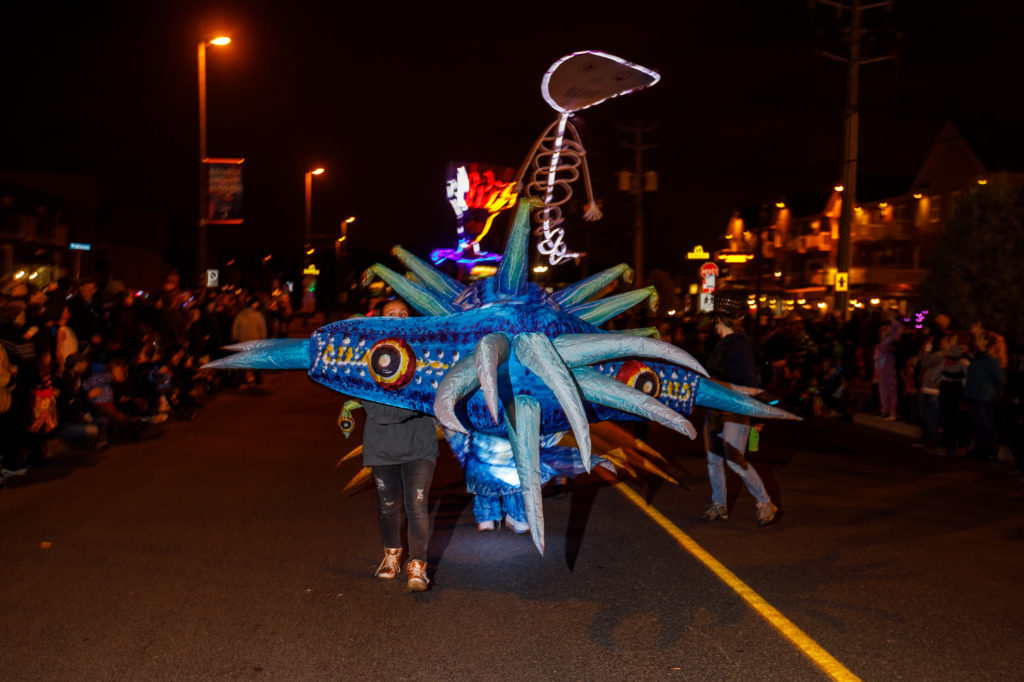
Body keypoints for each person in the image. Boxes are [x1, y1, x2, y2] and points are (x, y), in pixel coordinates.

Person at [360, 298, 438, 591]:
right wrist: (416, 405)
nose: (397, 318)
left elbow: (433, 396)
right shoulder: (366, 359)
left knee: (416, 506)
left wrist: (415, 405)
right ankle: (391, 554)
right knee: (389, 504)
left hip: (420, 445)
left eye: (403, 314)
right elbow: (376, 412)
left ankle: (418, 565)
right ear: (380, 320)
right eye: (390, 314)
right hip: (382, 446)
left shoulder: (428, 356)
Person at [701, 295, 778, 527]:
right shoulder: (721, 344)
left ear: (720, 319)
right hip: (716, 407)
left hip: (735, 408)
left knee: (734, 460)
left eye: (714, 319)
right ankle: (719, 504)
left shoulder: (740, 346)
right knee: (713, 459)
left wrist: (755, 416)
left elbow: (750, 383)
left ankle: (765, 503)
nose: (712, 324)